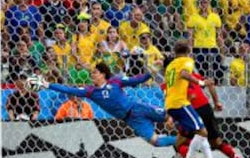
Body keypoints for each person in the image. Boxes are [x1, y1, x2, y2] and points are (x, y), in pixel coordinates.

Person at [35, 62, 176, 147]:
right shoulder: (91, 91)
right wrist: (47, 84)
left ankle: (194, 132)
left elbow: (136, 80)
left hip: (138, 108)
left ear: (103, 74)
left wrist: (153, 70)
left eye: (95, 73)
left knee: (173, 116)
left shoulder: (115, 81)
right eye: (92, 73)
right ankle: (186, 141)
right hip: (132, 120)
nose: (92, 75)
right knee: (156, 142)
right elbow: (68, 89)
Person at [161, 56, 250, 158]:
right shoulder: (193, 76)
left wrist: (170, 118)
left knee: (179, 143)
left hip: (192, 111)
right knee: (217, 143)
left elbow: (182, 98)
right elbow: (209, 84)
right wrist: (217, 102)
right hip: (206, 108)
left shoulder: (168, 83)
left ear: (167, 69)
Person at [164, 40, 227, 158]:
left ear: (175, 53)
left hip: (171, 104)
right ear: (188, 52)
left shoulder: (170, 66)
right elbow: (184, 74)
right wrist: (201, 83)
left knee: (196, 135)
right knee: (203, 132)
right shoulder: (186, 61)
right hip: (181, 103)